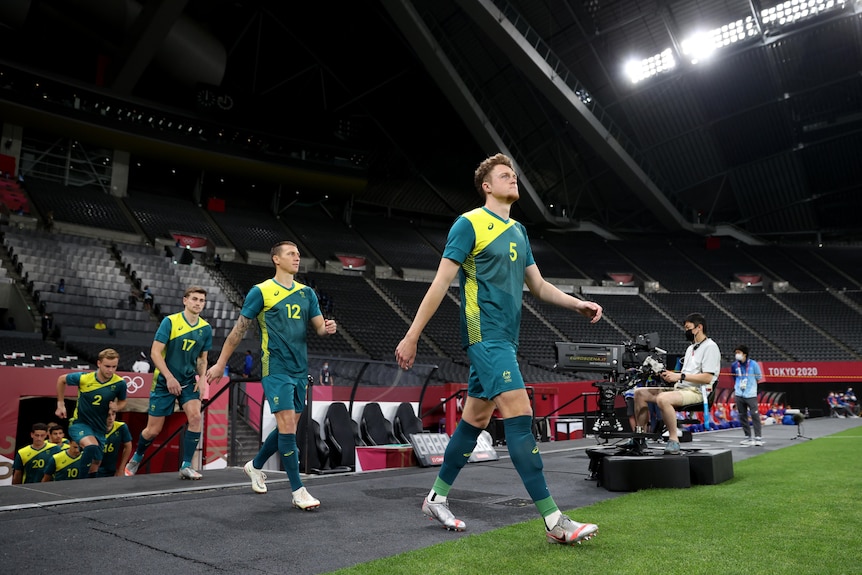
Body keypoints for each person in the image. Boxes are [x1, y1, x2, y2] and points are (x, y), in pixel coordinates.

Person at [394, 153, 602, 545]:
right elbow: (440, 283)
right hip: (484, 334)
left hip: (506, 337)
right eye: (505, 175)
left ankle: (436, 497)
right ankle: (554, 520)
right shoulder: (469, 223)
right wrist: (412, 334)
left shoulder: (519, 232)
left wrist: (577, 303)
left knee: (476, 417)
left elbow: (538, 287)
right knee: (520, 413)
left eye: (515, 175)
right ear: (487, 186)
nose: (514, 180)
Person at [205, 241, 337, 509]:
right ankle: (298, 490)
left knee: (287, 427)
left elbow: (319, 328)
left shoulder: (307, 293)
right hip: (275, 368)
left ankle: (254, 466)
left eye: (299, 254)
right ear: (276, 259)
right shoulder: (261, 291)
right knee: (288, 426)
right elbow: (239, 330)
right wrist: (220, 363)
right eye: (291, 254)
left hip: (300, 369)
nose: (297, 258)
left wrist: (327, 327)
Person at [125, 286, 212, 480]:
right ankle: (137, 456)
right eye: (195, 299)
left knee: (196, 417)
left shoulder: (205, 328)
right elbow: (155, 353)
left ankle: (186, 465)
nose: (198, 303)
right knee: (153, 430)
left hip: (189, 381)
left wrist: (203, 379)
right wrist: (169, 377)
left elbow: (202, 359)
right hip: (164, 382)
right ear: (185, 300)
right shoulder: (170, 322)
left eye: (202, 300)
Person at [633, 313, 721, 455]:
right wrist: (668, 375)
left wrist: (680, 376)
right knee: (639, 393)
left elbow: (707, 377)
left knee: (663, 399)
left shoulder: (711, 347)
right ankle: (640, 437)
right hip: (681, 388)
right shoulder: (690, 348)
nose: (686, 331)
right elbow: (683, 375)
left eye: (688, 328)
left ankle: (674, 440)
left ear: (699, 327)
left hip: (698, 392)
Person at [56, 348, 128, 478]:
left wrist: (117, 407)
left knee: (96, 463)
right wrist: (61, 404)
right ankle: (80, 484)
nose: (110, 370)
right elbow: (61, 379)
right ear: (99, 364)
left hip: (100, 429)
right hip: (80, 424)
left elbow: (123, 402)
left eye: (114, 367)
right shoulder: (84, 378)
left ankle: (87, 492)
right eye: (107, 366)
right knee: (91, 446)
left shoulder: (120, 383)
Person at [731, 344, 764, 446]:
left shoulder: (753, 364)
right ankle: (747, 436)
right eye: (736, 353)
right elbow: (734, 377)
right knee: (742, 416)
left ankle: (758, 437)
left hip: (750, 394)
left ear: (744, 354)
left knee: (755, 415)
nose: (737, 355)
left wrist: (751, 385)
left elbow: (759, 377)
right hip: (739, 393)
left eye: (739, 353)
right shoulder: (734, 365)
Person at [99, 409, 132, 477]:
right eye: (108, 415)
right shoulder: (92, 428)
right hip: (93, 470)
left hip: (110, 471)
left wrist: (121, 469)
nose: (111, 418)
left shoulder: (121, 427)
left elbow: (128, 446)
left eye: (113, 414)